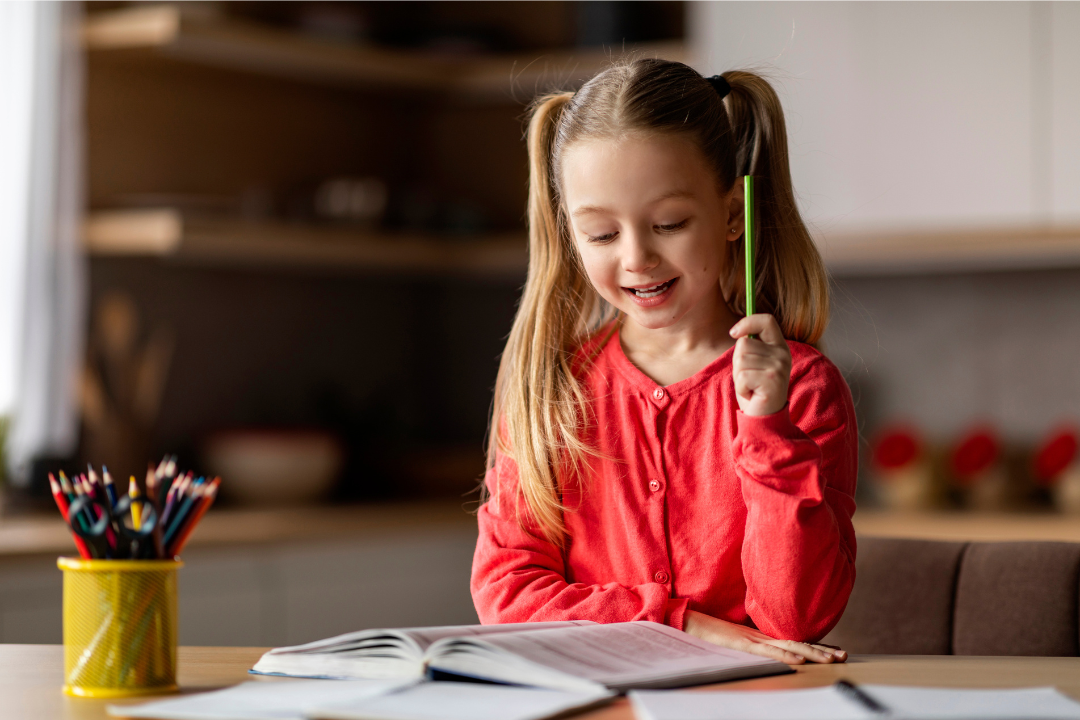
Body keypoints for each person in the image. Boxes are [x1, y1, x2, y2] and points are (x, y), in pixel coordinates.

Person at [471, 58, 856, 666]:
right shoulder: (551, 389)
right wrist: (681, 625)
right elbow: (507, 593)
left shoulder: (803, 388)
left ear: (732, 215)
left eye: (669, 223)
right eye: (600, 234)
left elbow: (794, 619)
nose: (637, 257)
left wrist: (768, 428)